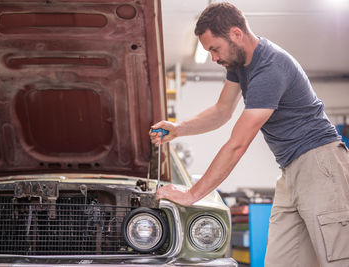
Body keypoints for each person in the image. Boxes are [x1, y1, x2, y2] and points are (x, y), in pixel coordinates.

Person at [149, 2, 349, 267]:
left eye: (214, 48)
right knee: (280, 261)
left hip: (321, 166)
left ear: (236, 34)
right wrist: (179, 128)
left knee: (338, 259)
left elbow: (237, 144)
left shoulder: (270, 68)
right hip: (291, 169)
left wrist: (191, 194)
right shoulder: (239, 65)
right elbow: (222, 111)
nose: (213, 57)